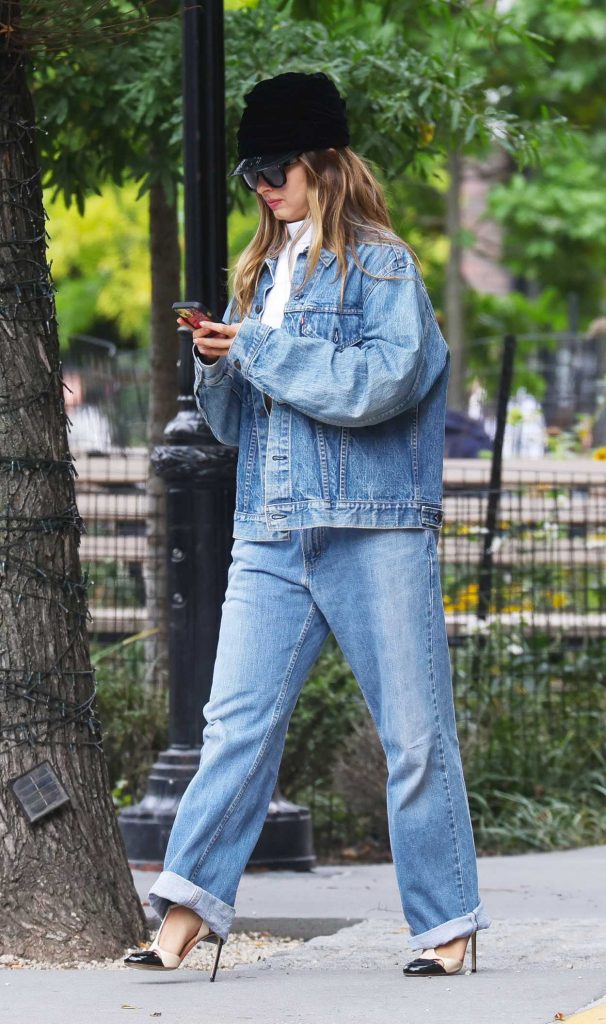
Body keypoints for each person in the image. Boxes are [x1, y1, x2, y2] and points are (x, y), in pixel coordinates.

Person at [124, 71, 490, 981]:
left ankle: (447, 925)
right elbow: (244, 426)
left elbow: (379, 385)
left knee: (413, 734)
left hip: (374, 529)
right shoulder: (262, 273)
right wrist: (221, 358)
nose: (260, 183)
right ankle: (185, 916)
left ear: (323, 162)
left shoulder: (382, 265)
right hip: (272, 531)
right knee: (235, 728)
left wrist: (258, 347)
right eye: (250, 168)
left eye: (274, 164)